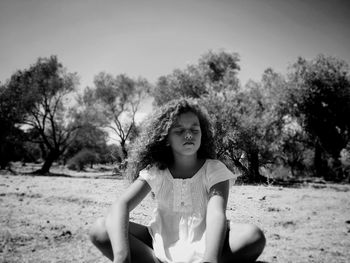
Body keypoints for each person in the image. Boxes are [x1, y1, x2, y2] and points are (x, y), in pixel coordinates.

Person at [89, 98, 266, 263]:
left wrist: (211, 259)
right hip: (158, 242)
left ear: (202, 134)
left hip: (208, 242)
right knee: (101, 228)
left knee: (252, 236)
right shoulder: (156, 170)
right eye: (180, 131)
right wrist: (122, 256)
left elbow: (216, 214)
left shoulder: (214, 168)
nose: (189, 135)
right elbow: (121, 205)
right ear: (165, 138)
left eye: (194, 130)